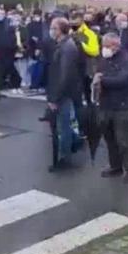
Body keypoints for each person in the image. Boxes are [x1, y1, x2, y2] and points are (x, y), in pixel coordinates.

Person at [95, 32, 128, 182]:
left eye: (106, 46)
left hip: (122, 105)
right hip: (106, 104)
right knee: (110, 139)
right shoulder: (104, 59)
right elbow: (98, 72)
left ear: (115, 45)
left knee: (123, 140)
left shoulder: (127, 59)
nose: (103, 49)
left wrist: (102, 80)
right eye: (103, 46)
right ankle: (115, 166)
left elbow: (122, 80)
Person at [46, 17, 84, 170]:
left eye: (53, 28)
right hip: (63, 92)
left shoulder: (67, 47)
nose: (51, 31)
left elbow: (64, 75)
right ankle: (70, 148)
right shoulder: (62, 45)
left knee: (64, 126)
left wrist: (55, 98)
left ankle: (65, 158)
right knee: (64, 124)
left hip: (64, 94)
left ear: (60, 30)